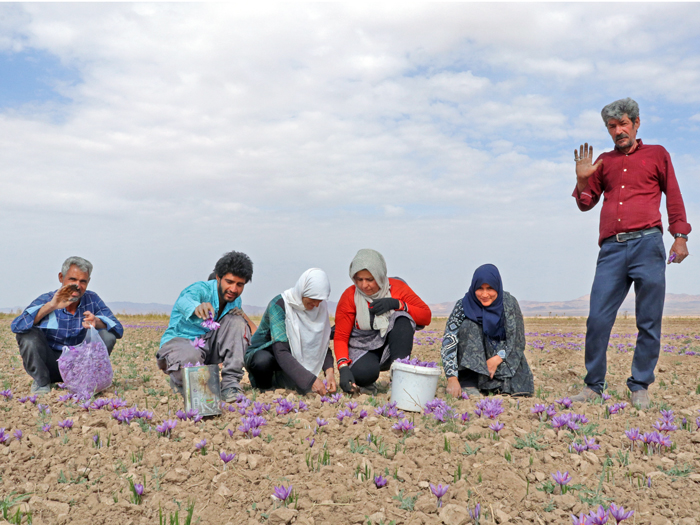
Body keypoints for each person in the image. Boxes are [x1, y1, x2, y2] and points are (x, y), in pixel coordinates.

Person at [572, 97, 691, 409]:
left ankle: (640, 385)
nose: (618, 130)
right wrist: (582, 180)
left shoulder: (657, 155)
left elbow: (674, 195)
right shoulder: (604, 162)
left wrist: (680, 236)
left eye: (623, 124)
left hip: (648, 244)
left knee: (648, 320)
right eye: (612, 127)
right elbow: (586, 202)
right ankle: (592, 386)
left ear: (636, 124)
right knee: (597, 318)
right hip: (611, 248)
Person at [11, 256, 123, 395]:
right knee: (28, 335)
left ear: (88, 282)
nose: (77, 285)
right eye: (72, 280)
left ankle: (88, 382)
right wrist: (51, 306)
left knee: (107, 335)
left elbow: (118, 329)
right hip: (49, 364)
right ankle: (41, 382)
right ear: (61, 277)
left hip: (80, 367)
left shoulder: (92, 300)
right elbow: (17, 326)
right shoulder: (47, 299)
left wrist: (97, 322)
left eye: (83, 281)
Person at [156, 251, 257, 402]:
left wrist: (241, 317)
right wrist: (197, 307)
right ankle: (180, 381)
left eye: (239, 284)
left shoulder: (235, 301)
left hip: (209, 348)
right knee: (191, 360)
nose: (234, 289)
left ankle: (230, 385)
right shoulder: (201, 290)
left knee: (237, 321)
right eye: (229, 282)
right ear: (218, 277)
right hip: (182, 343)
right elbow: (185, 300)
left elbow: (241, 332)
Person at [334, 249, 432, 393]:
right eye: (359, 279)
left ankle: (399, 379)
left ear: (379, 276)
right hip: (363, 346)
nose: (364, 285)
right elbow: (341, 337)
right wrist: (343, 367)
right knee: (362, 374)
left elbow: (426, 316)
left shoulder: (397, 288)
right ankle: (367, 380)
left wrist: (398, 304)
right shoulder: (350, 296)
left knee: (403, 318)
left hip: (391, 344)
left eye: (369, 279)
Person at [441, 264, 533, 398]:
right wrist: (452, 378)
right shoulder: (464, 305)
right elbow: (450, 339)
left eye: (490, 288)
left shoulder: (509, 303)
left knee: (518, 390)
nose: (485, 294)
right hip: (474, 364)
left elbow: (517, 341)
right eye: (480, 288)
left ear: (497, 286)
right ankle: (469, 383)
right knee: (468, 325)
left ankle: (495, 385)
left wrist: (497, 359)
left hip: (502, 359)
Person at [245, 268, 336, 395]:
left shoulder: (320, 308)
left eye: (319, 300)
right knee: (262, 361)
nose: (316, 305)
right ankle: (266, 389)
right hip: (269, 353)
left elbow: (321, 344)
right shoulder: (279, 305)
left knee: (300, 387)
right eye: (312, 299)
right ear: (303, 291)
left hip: (290, 358)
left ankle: (284, 383)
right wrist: (310, 380)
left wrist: (329, 373)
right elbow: (280, 350)